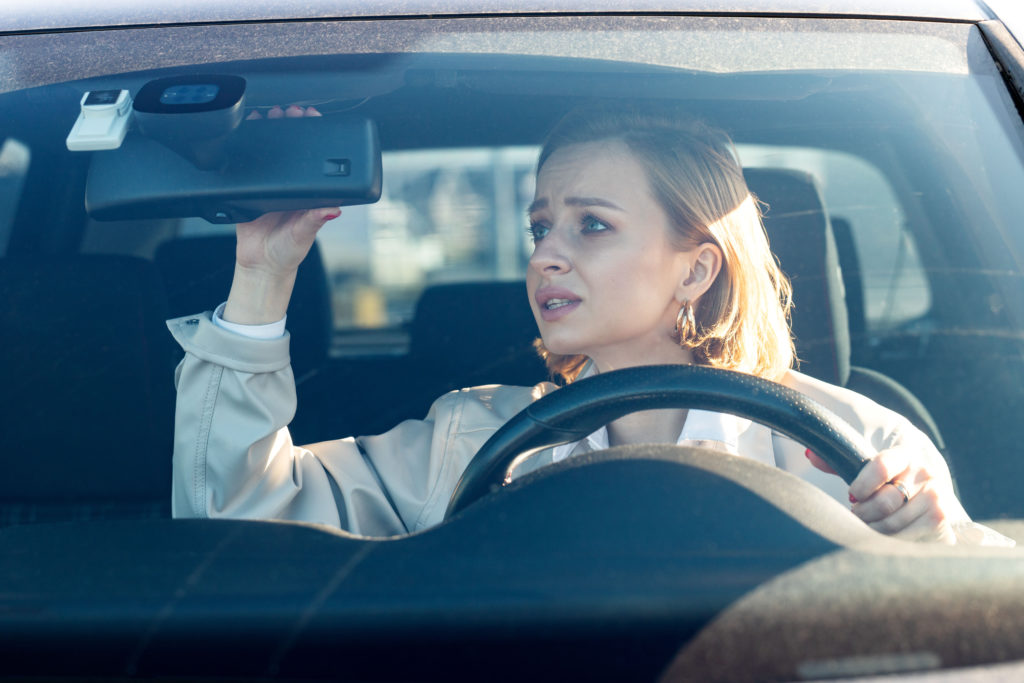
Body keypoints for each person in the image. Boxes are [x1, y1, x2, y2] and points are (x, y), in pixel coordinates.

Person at [168, 104, 1003, 545]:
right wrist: (263, 269)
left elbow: (966, 625)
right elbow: (238, 518)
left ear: (697, 267)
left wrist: (932, 537)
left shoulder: (857, 447)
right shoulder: (470, 442)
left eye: (590, 225)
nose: (546, 257)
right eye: (541, 229)